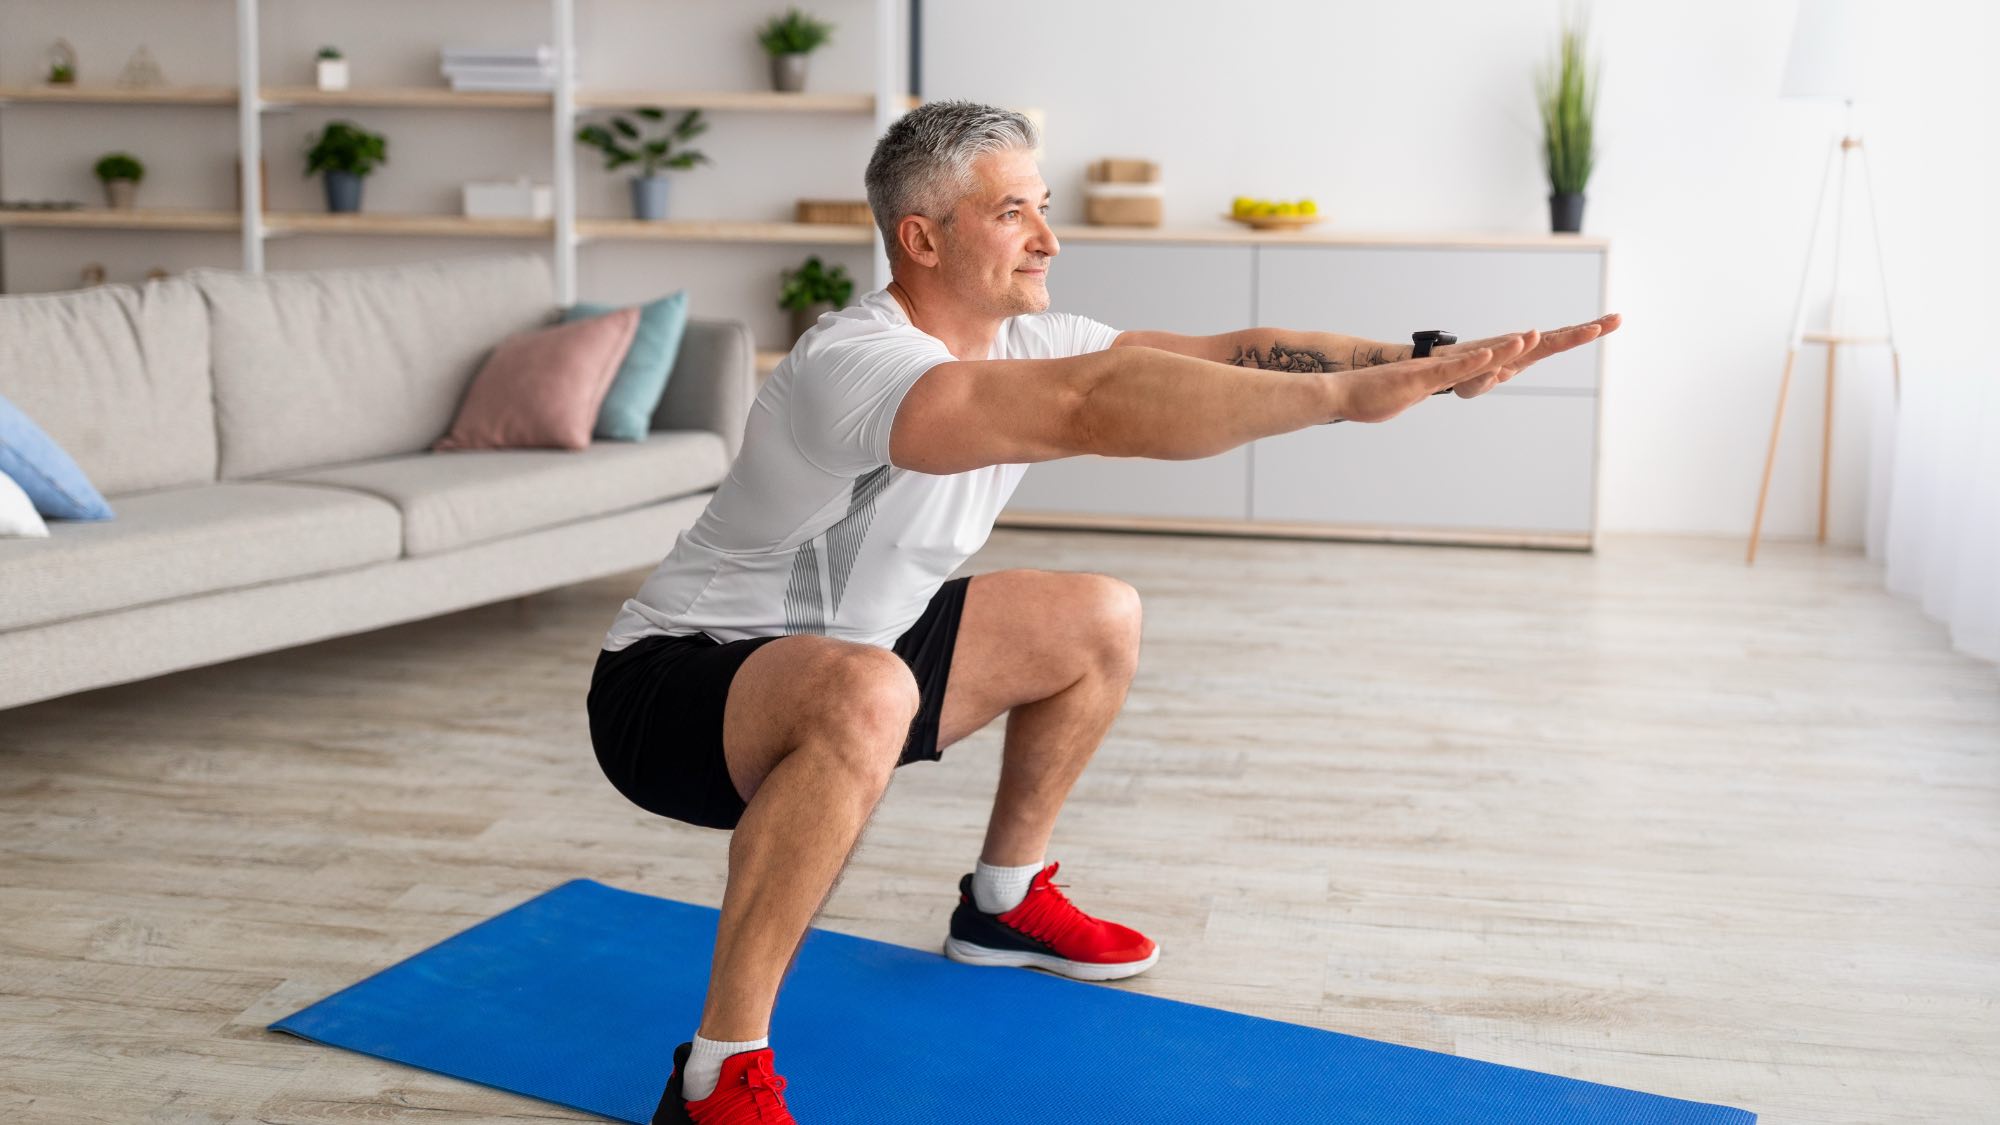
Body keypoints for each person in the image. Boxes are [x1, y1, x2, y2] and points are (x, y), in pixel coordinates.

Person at [586, 99, 1621, 1125]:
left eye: (1040, 206)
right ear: (921, 236)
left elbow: (1232, 354)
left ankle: (1002, 904)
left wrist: (1417, 365)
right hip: (676, 685)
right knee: (867, 688)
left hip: (861, 653)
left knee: (1095, 616)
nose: (1047, 237)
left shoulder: (1033, 337)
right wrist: (1341, 402)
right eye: (1011, 214)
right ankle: (718, 1076)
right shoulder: (857, 365)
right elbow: (1094, 406)